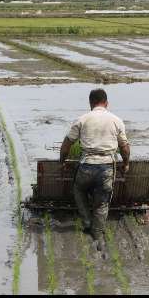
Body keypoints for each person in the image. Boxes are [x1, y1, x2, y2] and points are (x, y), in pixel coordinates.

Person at [59, 88, 130, 252]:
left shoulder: (82, 119)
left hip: (86, 166)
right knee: (102, 201)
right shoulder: (116, 120)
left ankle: (87, 222)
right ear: (106, 103)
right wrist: (126, 164)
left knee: (78, 189)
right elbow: (125, 148)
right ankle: (97, 232)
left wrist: (62, 163)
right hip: (106, 167)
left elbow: (66, 145)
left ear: (90, 103)